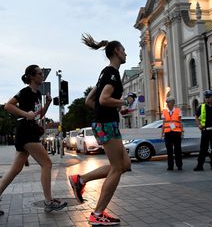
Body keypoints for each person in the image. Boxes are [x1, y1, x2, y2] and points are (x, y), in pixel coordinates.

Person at [69, 34, 132, 226]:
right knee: (118, 167)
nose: (125, 53)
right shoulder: (112, 74)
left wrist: (108, 109)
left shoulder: (104, 74)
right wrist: (123, 102)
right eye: (123, 50)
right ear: (116, 52)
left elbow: (91, 101)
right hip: (106, 124)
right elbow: (104, 100)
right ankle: (97, 214)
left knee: (125, 164)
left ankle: (81, 179)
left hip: (103, 122)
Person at [0, 65, 67, 213]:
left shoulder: (37, 94)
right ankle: (49, 201)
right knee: (47, 164)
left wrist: (48, 103)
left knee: (15, 169)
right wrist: (25, 114)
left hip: (28, 132)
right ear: (31, 77)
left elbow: (38, 115)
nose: (42, 76)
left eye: (42, 74)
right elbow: (8, 106)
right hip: (26, 132)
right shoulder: (25, 92)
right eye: (39, 74)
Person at [161, 97, 184, 171]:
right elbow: (163, 123)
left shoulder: (178, 110)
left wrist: (182, 131)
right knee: (169, 151)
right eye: (167, 102)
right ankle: (170, 166)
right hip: (168, 133)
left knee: (178, 150)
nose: (167, 104)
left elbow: (180, 121)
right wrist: (162, 133)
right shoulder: (164, 111)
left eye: (168, 102)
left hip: (176, 132)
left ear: (173, 103)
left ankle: (179, 165)